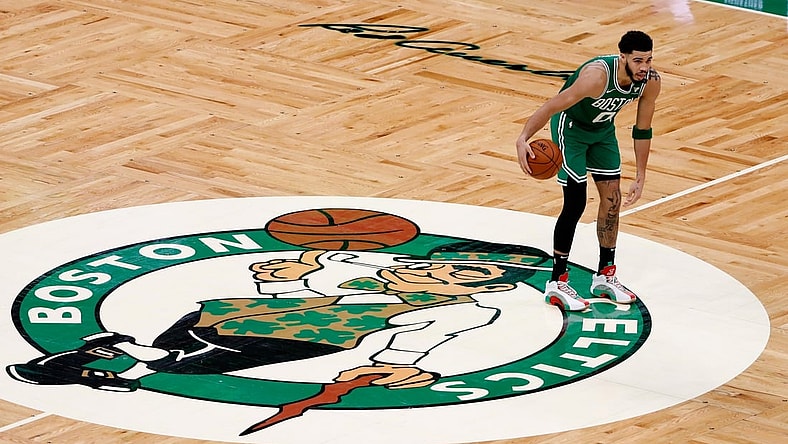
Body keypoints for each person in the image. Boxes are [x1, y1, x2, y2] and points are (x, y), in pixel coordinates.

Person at [515, 30, 661, 311]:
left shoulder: (650, 82)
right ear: (623, 58)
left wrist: (641, 174)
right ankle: (557, 282)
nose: (645, 67)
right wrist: (523, 137)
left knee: (613, 200)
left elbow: (643, 129)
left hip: (602, 132)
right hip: (571, 130)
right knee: (576, 201)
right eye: (638, 60)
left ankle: (605, 275)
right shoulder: (597, 76)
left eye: (649, 60)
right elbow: (553, 104)